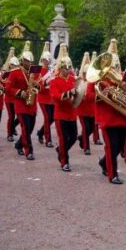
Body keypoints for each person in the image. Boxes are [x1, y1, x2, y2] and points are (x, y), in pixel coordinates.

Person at [95, 39, 126, 184]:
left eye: (117, 65)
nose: (116, 68)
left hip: (122, 117)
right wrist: (108, 92)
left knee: (118, 146)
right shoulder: (100, 80)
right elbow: (91, 95)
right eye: (113, 66)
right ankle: (113, 174)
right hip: (108, 118)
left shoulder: (123, 78)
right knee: (112, 146)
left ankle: (104, 163)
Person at [5, 42, 40, 160]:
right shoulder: (15, 72)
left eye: (30, 61)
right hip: (21, 104)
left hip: (32, 104)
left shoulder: (33, 72)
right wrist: (20, 92)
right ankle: (29, 151)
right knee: (25, 127)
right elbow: (8, 88)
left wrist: (36, 85)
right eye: (27, 61)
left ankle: (19, 144)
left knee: (30, 128)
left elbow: (39, 85)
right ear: (22, 61)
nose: (29, 63)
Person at [48, 44, 79, 172]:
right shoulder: (54, 80)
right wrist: (70, 93)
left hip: (71, 113)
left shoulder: (73, 79)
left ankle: (60, 150)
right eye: (66, 68)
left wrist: (78, 92)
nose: (68, 70)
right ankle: (64, 161)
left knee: (73, 137)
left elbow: (79, 93)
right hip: (60, 114)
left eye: (69, 68)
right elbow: (55, 97)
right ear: (60, 68)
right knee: (63, 138)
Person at [76, 52, 97, 155]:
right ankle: (86, 148)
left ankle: (81, 138)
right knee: (85, 128)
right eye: (85, 73)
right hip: (82, 109)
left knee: (92, 128)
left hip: (91, 109)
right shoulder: (79, 81)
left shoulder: (92, 83)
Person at [36, 42, 55, 148]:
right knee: (48, 118)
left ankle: (40, 132)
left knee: (52, 118)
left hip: (50, 98)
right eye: (46, 60)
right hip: (43, 98)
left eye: (49, 60)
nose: (47, 62)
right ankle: (48, 139)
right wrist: (46, 83)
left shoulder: (51, 71)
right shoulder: (39, 71)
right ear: (42, 60)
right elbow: (38, 86)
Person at [1, 48, 20, 141]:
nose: (15, 66)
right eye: (13, 65)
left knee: (20, 116)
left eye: (16, 65)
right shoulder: (6, 74)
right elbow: (2, 85)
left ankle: (12, 127)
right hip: (9, 98)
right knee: (11, 116)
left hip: (16, 97)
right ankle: (9, 134)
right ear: (10, 65)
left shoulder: (18, 73)